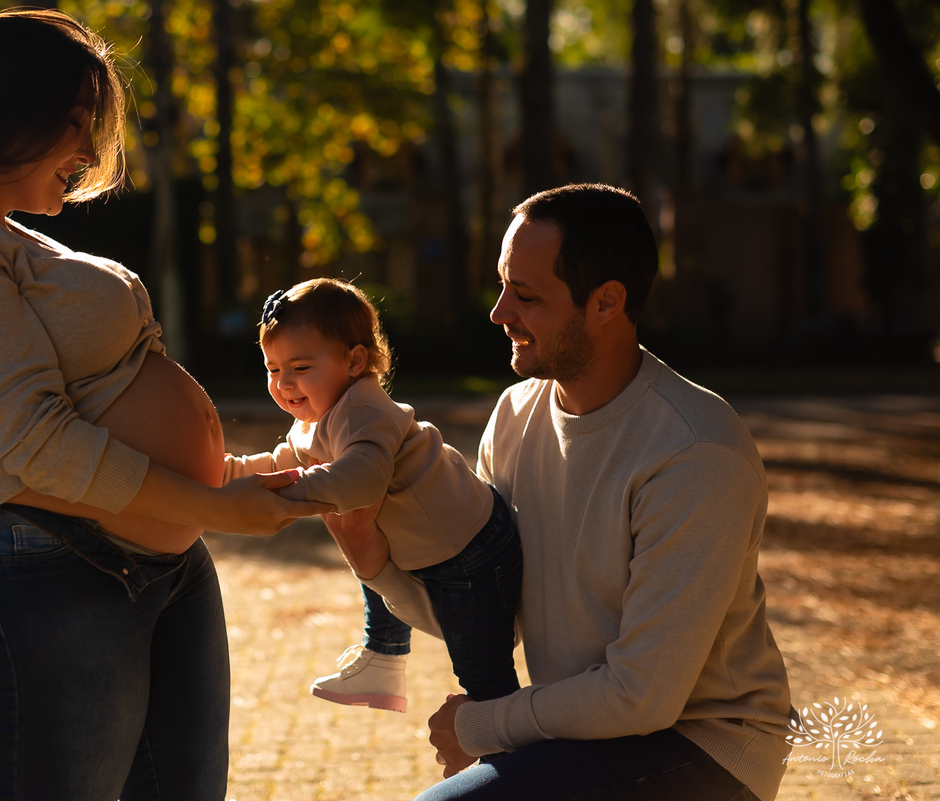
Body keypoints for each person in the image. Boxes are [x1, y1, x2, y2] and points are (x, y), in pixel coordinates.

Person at [0, 10, 328, 800]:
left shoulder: (7, 236)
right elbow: (34, 438)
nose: (88, 154)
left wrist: (235, 475)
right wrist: (212, 506)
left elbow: (94, 411)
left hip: (148, 563)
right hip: (44, 569)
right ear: (2, 107)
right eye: (76, 124)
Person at [323, 184, 795, 801]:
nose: (498, 312)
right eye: (501, 285)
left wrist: (484, 725)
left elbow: (642, 695)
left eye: (525, 295)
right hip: (590, 733)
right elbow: (486, 612)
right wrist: (375, 564)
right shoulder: (516, 416)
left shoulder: (694, 453)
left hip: (705, 749)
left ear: (606, 303)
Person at [222, 278, 522, 713]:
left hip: (472, 548)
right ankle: (383, 656)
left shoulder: (363, 409)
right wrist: (222, 473)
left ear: (356, 361)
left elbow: (360, 481)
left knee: (481, 668)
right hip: (430, 546)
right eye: (273, 369)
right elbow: (278, 461)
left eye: (301, 368)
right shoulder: (315, 419)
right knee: (369, 549)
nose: (284, 383)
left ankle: (506, 739)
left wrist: (291, 491)